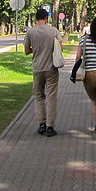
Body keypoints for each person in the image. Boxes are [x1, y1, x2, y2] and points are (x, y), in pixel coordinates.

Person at [23, 8, 62, 137]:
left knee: (39, 97)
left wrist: (37, 49)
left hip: (37, 68)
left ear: (36, 19)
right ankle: (50, 126)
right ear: (46, 18)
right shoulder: (53, 31)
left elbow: (27, 51)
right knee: (51, 97)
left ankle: (41, 124)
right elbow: (60, 48)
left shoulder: (30, 32)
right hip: (51, 68)